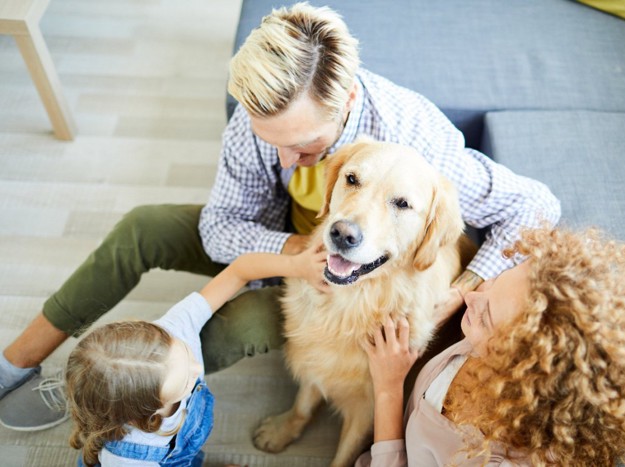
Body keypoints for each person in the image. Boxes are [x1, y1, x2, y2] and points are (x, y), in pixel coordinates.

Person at [0, 2, 560, 430]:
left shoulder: (418, 144)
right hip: (286, 247)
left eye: (306, 145)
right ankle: (16, 361)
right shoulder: (259, 120)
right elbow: (220, 226)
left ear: (344, 105)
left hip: (351, 288)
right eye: (273, 141)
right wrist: (293, 253)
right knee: (143, 225)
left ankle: (117, 398)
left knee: (241, 322)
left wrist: (462, 287)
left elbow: (536, 205)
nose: (289, 162)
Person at [358, 227, 625, 466]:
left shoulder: (492, 459)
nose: (469, 297)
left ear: (520, 370)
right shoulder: (494, 335)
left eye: (486, 317)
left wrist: (389, 387)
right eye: (497, 279)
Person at [65, 244, 326, 467]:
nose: (196, 369)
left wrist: (296, 265)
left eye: (186, 354)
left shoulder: (176, 329)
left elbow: (240, 270)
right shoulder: (130, 459)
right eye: (185, 382)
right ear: (142, 414)